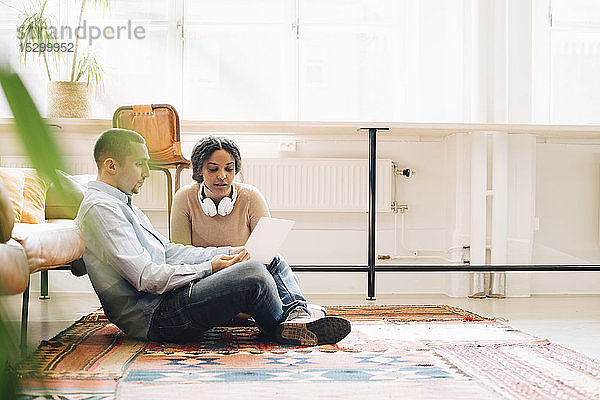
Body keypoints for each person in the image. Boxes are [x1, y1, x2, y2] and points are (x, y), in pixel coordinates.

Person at [75, 129, 351, 346]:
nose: (147, 172)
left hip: (168, 300)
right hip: (154, 317)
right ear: (111, 165)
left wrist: (229, 253)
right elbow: (147, 279)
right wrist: (211, 267)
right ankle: (286, 325)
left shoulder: (122, 203)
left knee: (265, 258)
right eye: (139, 164)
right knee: (253, 274)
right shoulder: (101, 209)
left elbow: (169, 251)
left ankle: (297, 318)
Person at [170, 136, 324, 319]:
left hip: (248, 280)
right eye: (213, 169)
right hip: (207, 280)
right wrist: (223, 261)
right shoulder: (184, 198)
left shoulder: (250, 196)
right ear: (199, 169)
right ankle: (299, 313)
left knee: (273, 259)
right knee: (271, 288)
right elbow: (180, 258)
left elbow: (265, 253)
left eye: (229, 169)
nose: (222, 175)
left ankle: (297, 316)